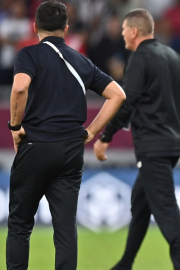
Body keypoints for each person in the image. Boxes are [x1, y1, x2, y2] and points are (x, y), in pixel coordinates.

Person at [6, 1, 126, 269]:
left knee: (20, 225)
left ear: (35, 27)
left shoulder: (29, 54)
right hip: (71, 150)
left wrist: (15, 127)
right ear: (66, 28)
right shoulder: (81, 60)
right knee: (65, 228)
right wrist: (91, 131)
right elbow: (118, 94)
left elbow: (20, 87)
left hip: (36, 145)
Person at [92, 9, 180, 270]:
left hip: (152, 145)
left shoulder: (139, 58)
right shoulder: (173, 57)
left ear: (133, 31)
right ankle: (125, 263)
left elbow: (127, 100)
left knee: (166, 211)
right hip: (170, 144)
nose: (122, 36)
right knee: (141, 204)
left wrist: (105, 136)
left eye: (123, 31)